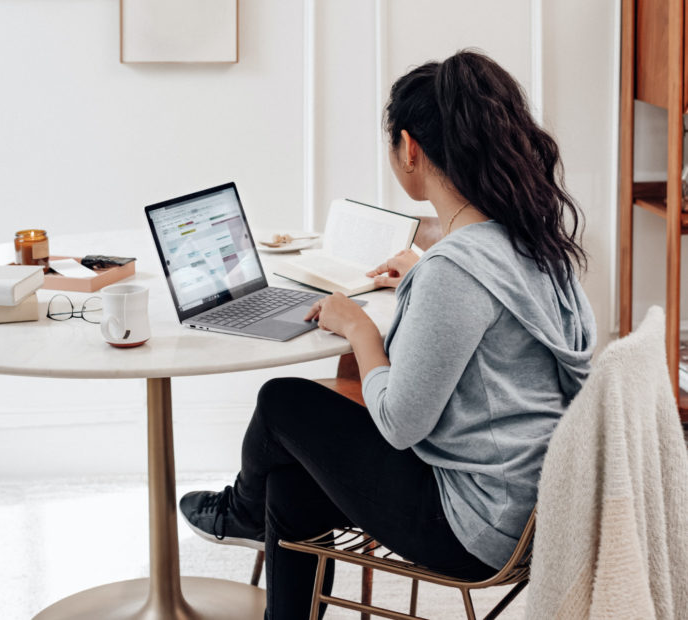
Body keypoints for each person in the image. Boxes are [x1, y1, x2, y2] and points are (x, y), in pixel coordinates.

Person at [179, 50, 596, 619]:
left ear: (410, 148)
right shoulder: (529, 241)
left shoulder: (455, 272)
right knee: (291, 486)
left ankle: (239, 514)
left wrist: (358, 328)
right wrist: (423, 276)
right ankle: (253, 516)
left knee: (283, 402)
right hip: (533, 504)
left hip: (475, 525)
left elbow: (400, 424)